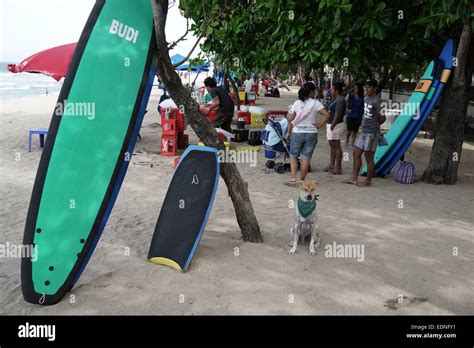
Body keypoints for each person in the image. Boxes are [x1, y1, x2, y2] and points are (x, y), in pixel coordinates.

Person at [343, 79, 386, 187]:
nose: (366, 88)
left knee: (368, 157)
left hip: (372, 133)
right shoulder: (366, 99)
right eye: (365, 86)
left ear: (375, 88)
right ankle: (354, 178)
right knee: (356, 153)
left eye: (369, 87)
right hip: (363, 131)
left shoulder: (377, 101)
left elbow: (383, 118)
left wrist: (374, 125)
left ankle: (368, 181)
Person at [285, 82, 329, 186]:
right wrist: (319, 125)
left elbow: (291, 119)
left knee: (293, 156)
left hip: (297, 132)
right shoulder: (316, 103)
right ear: (311, 92)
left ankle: (292, 178)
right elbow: (327, 115)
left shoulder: (296, 103)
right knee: (306, 157)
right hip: (311, 133)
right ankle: (302, 180)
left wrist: (288, 132)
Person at [324, 82, 346, 175]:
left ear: (337, 91)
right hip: (331, 124)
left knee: (336, 145)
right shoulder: (335, 99)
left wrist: (333, 124)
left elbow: (338, 114)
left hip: (335, 125)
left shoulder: (340, 100)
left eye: (332, 90)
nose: (331, 91)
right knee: (332, 145)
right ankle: (332, 164)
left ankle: (338, 167)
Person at [344, 83, 365, 148]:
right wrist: (346, 109)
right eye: (355, 88)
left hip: (358, 116)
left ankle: (351, 144)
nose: (356, 90)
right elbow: (344, 102)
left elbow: (364, 107)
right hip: (350, 116)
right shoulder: (350, 96)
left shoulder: (363, 98)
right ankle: (347, 139)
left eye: (357, 88)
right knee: (349, 130)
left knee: (355, 131)